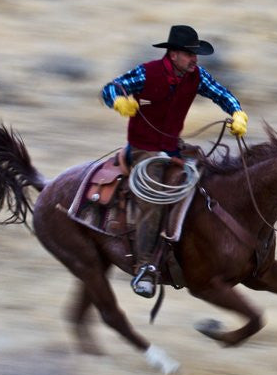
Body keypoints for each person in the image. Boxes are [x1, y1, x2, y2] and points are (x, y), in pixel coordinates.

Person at [101, 25, 248, 297]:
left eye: (196, 54)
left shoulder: (196, 76)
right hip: (143, 149)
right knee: (154, 197)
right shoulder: (147, 73)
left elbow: (221, 93)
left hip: (172, 147)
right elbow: (111, 89)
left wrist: (237, 112)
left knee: (208, 176)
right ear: (173, 54)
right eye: (190, 54)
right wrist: (118, 101)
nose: (195, 59)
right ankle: (145, 267)